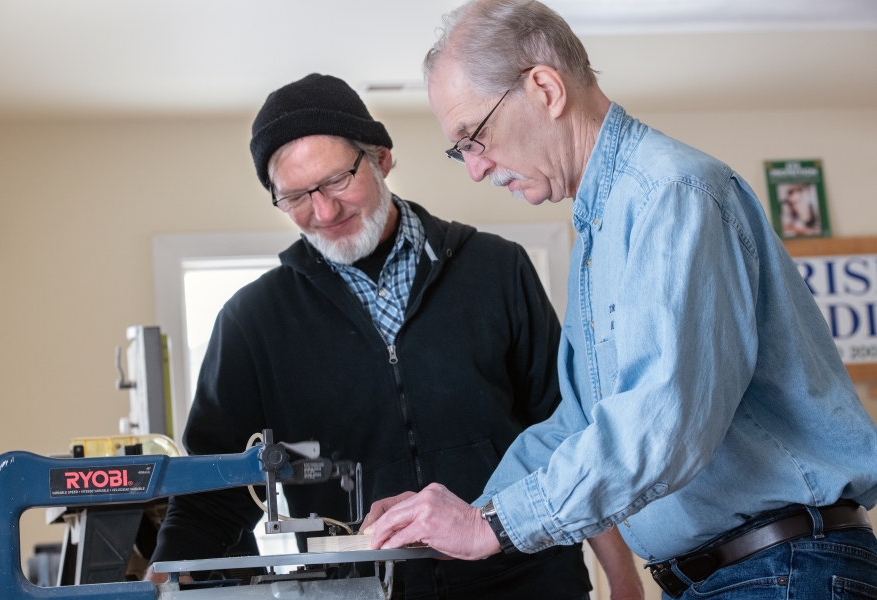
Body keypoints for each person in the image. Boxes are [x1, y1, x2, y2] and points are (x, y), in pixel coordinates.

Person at [363, 2, 877, 598]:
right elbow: (579, 424)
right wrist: (459, 516)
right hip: (728, 576)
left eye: (473, 137)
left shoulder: (672, 195)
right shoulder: (600, 232)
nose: (475, 169)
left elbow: (662, 422)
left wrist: (492, 525)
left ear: (545, 88)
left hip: (780, 570)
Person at [147, 73, 643, 600]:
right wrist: (158, 584)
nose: (323, 211)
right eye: (295, 196)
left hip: (531, 583)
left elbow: (567, 434)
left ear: (381, 159)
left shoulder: (498, 270)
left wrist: (621, 575)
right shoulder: (252, 322)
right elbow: (213, 493)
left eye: (337, 180)